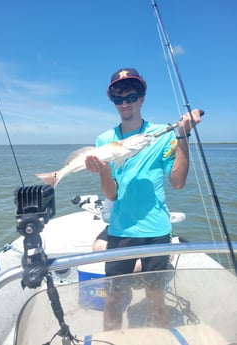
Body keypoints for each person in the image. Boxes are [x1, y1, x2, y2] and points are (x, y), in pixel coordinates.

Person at [85, 68, 202, 330]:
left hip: (155, 230)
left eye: (131, 95)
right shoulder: (105, 139)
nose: (125, 102)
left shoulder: (162, 134)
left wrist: (182, 134)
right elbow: (111, 193)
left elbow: (178, 182)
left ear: (142, 98)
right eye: (118, 98)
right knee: (113, 298)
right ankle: (112, 338)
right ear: (113, 101)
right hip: (120, 230)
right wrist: (103, 168)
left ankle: (159, 336)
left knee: (155, 297)